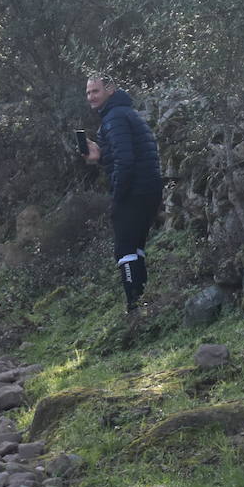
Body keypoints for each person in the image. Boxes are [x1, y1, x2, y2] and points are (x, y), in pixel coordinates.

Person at [82, 76, 164, 312]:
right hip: (148, 188)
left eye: (95, 91)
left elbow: (125, 162)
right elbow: (125, 155)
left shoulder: (115, 117)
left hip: (134, 190)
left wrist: (118, 196)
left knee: (125, 249)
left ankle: (135, 308)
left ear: (110, 90)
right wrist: (100, 157)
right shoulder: (125, 113)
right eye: (88, 93)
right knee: (135, 247)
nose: (91, 97)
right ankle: (142, 305)